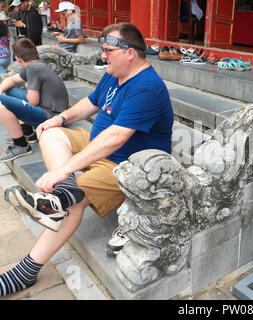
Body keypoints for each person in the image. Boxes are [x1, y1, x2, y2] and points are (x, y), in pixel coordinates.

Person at [0, 22, 174, 297]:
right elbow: (90, 103)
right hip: (96, 144)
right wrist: (60, 118)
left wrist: (63, 170)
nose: (102, 55)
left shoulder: (148, 87)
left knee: (73, 203)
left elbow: (116, 138)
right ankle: (62, 194)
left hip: (126, 166)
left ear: (129, 53)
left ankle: (26, 271)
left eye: (107, 50)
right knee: (50, 132)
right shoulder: (114, 73)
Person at [0, 37, 68, 162]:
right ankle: (28, 134)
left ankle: (20, 145)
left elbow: (33, 101)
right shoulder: (38, 65)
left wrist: (27, 91)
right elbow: (12, 80)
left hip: (51, 116)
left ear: (18, 59)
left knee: (4, 102)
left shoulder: (33, 68)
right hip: (52, 112)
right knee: (9, 90)